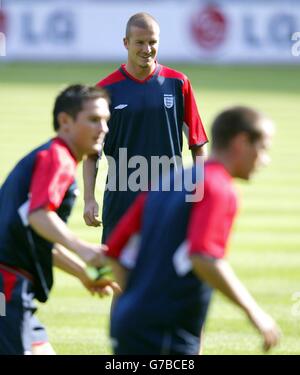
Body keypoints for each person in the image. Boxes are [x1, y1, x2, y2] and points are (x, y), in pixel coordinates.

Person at [104, 106, 281, 355]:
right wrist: (254, 312)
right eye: (263, 149)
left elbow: (114, 250)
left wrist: (138, 301)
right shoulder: (218, 186)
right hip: (163, 330)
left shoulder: (171, 179)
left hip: (129, 322)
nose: (264, 160)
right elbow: (203, 256)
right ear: (241, 142)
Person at [0, 84, 120, 355]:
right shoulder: (58, 158)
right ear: (65, 121)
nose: (104, 128)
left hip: (13, 288)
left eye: (105, 120)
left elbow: (37, 231)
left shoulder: (54, 157)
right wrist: (84, 249)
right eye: (93, 119)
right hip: (6, 287)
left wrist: (83, 274)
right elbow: (39, 215)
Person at [83, 12, 208, 242]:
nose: (147, 49)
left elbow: (197, 144)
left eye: (152, 42)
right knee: (116, 274)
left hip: (168, 198)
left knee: (164, 273)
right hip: (121, 200)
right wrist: (89, 198)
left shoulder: (178, 83)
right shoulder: (104, 90)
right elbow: (92, 152)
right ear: (126, 43)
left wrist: (198, 192)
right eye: (140, 42)